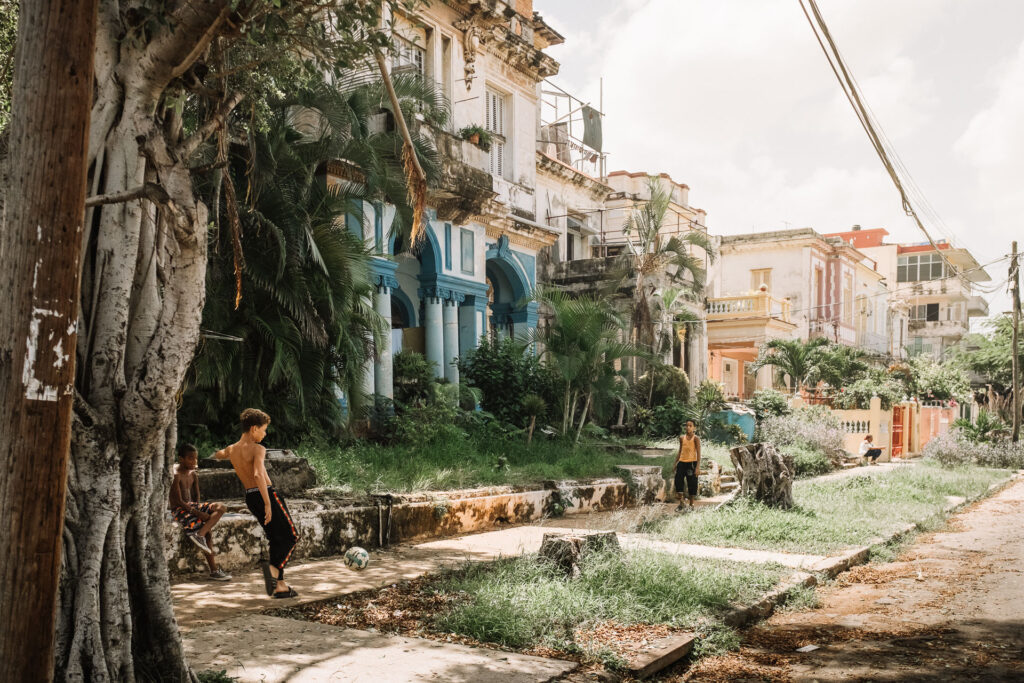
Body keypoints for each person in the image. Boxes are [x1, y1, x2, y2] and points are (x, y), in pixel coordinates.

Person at [213, 408, 299, 599]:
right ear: (254, 429)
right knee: (291, 536)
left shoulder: (232, 449)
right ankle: (273, 574)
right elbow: (258, 474)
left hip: (251, 498)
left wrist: (215, 455)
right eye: (264, 429)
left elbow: (218, 454)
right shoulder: (258, 449)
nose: (265, 433)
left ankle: (281, 586)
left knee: (275, 538)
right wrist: (268, 503)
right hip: (265, 494)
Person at [169, 444, 232, 581]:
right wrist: (197, 513)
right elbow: (178, 501)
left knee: (221, 508)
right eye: (190, 459)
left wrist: (199, 510)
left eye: (196, 459)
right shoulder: (176, 476)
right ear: (181, 459)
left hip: (192, 507)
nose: (194, 462)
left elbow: (196, 498)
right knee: (208, 532)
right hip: (180, 510)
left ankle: (199, 534)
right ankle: (214, 570)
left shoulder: (193, 475)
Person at [674, 419, 701, 511]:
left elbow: (699, 453)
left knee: (692, 483)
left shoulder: (696, 438)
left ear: (694, 428)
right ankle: (681, 503)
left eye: (690, 426)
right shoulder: (682, 438)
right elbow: (680, 451)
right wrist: (675, 463)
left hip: (692, 463)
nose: (688, 427)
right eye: (687, 425)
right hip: (681, 463)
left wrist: (697, 467)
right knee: (678, 482)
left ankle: (691, 505)